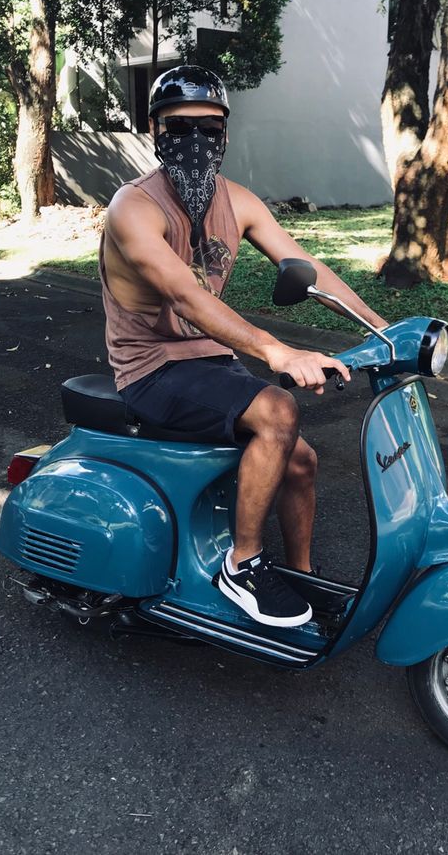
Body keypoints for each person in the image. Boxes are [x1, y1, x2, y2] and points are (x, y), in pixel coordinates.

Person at [100, 64, 388, 629]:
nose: (195, 141)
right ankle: (244, 564)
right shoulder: (133, 207)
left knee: (301, 460)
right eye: (178, 127)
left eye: (209, 129)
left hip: (208, 359)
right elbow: (184, 295)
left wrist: (383, 330)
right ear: (154, 131)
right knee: (279, 410)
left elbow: (306, 267)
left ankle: (298, 572)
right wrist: (275, 351)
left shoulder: (239, 202)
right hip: (149, 368)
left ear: (226, 136)